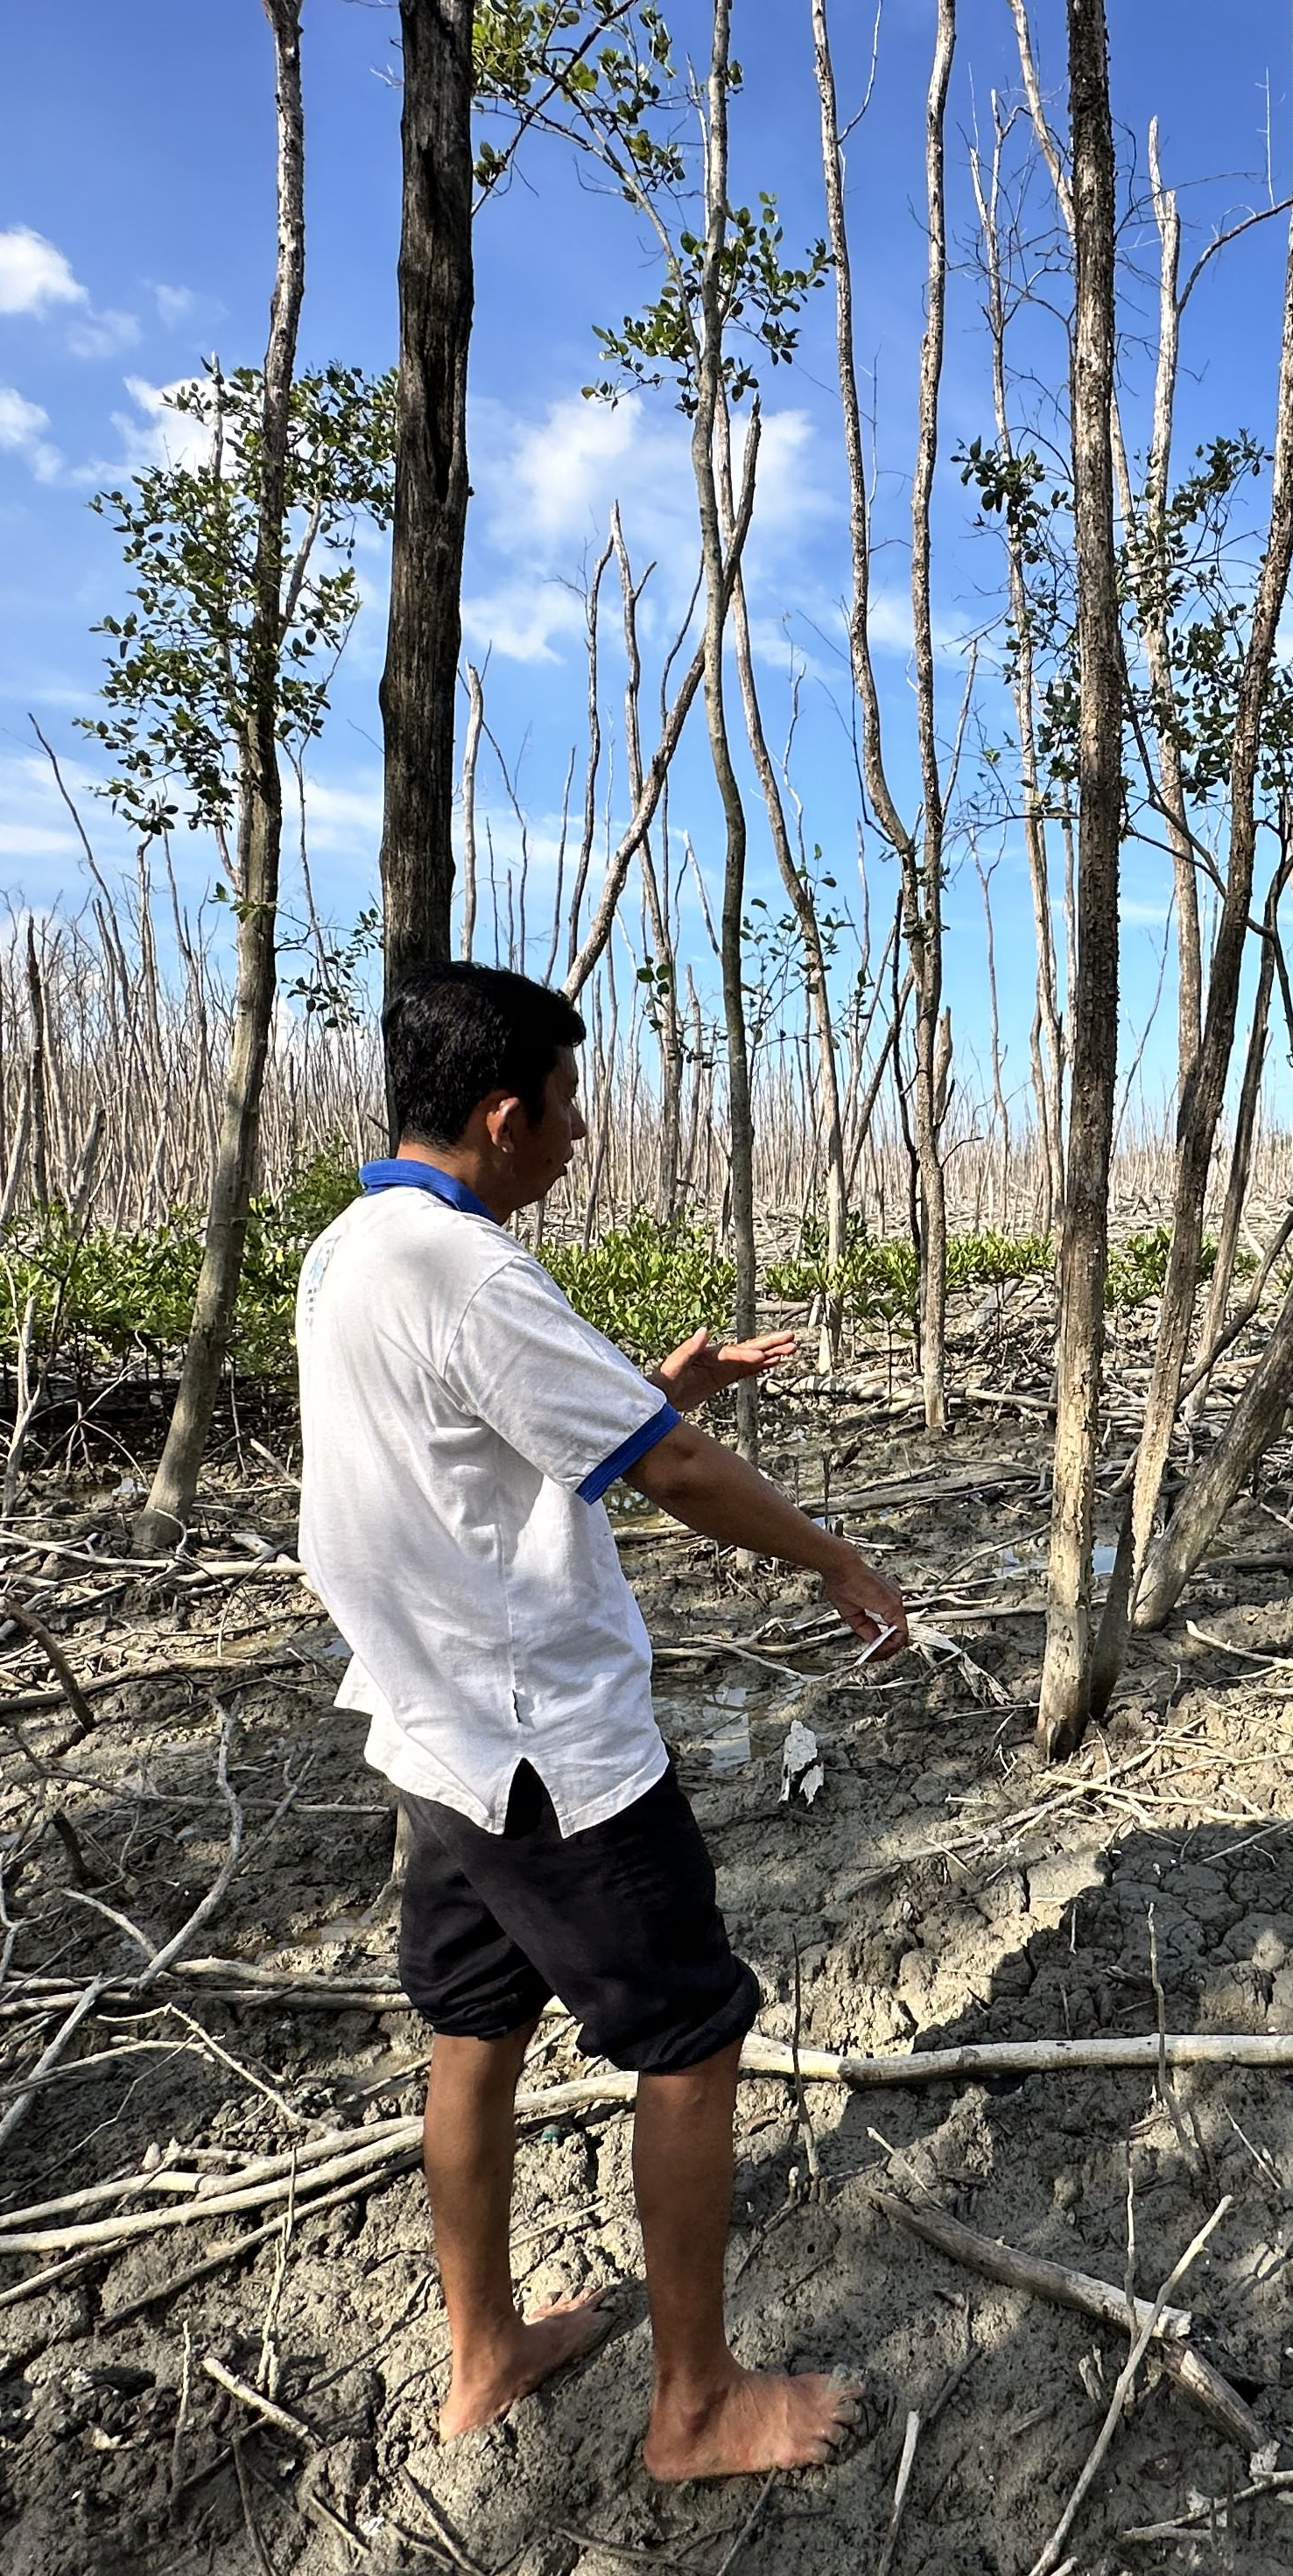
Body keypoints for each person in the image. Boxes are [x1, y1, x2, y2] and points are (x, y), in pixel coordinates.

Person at [295, 960, 906, 2475]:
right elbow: (679, 1476)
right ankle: (696, 2407)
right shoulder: (474, 1269)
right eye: (567, 1107)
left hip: (431, 1736)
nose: (579, 1135)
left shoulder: (356, 1248)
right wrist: (839, 1561)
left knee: (474, 2028)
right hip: (543, 1751)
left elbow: (475, 1447)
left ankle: (485, 2351)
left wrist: (655, 1383)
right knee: (693, 2037)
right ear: (505, 1116)